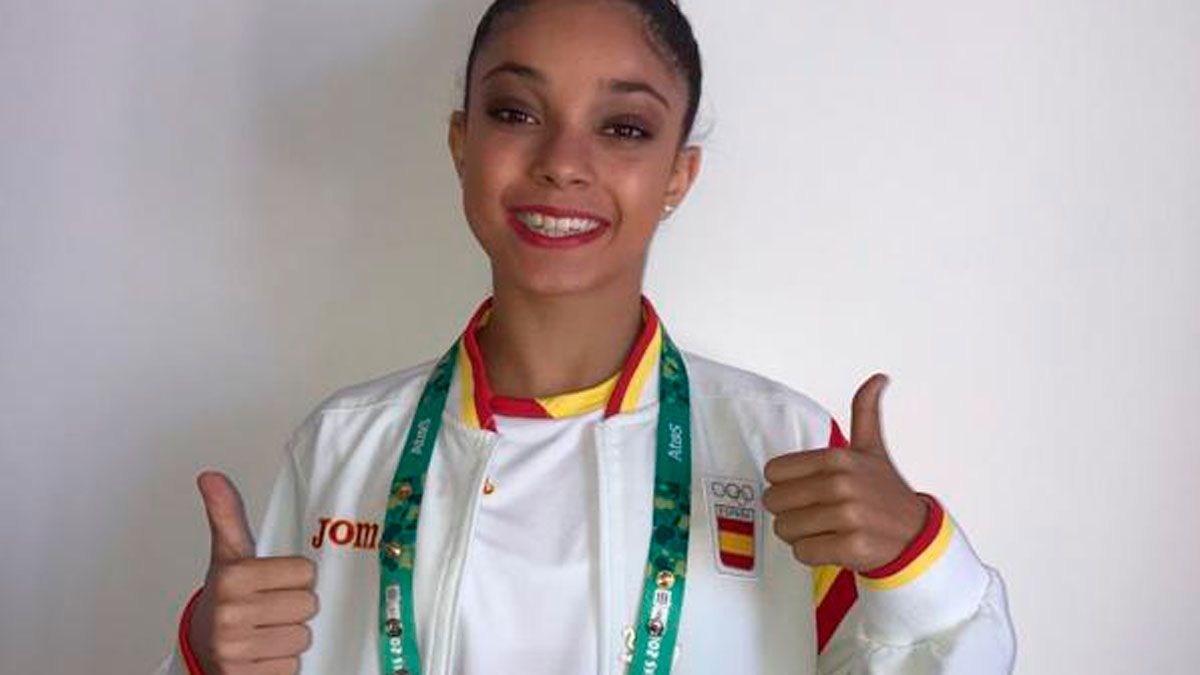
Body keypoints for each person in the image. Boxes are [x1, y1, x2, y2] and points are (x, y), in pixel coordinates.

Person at [157, 0, 1016, 673]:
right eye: (516, 112)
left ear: (679, 173)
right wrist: (205, 656)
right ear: (463, 143)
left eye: (624, 128)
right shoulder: (344, 446)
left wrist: (919, 560)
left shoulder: (778, 449)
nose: (563, 161)